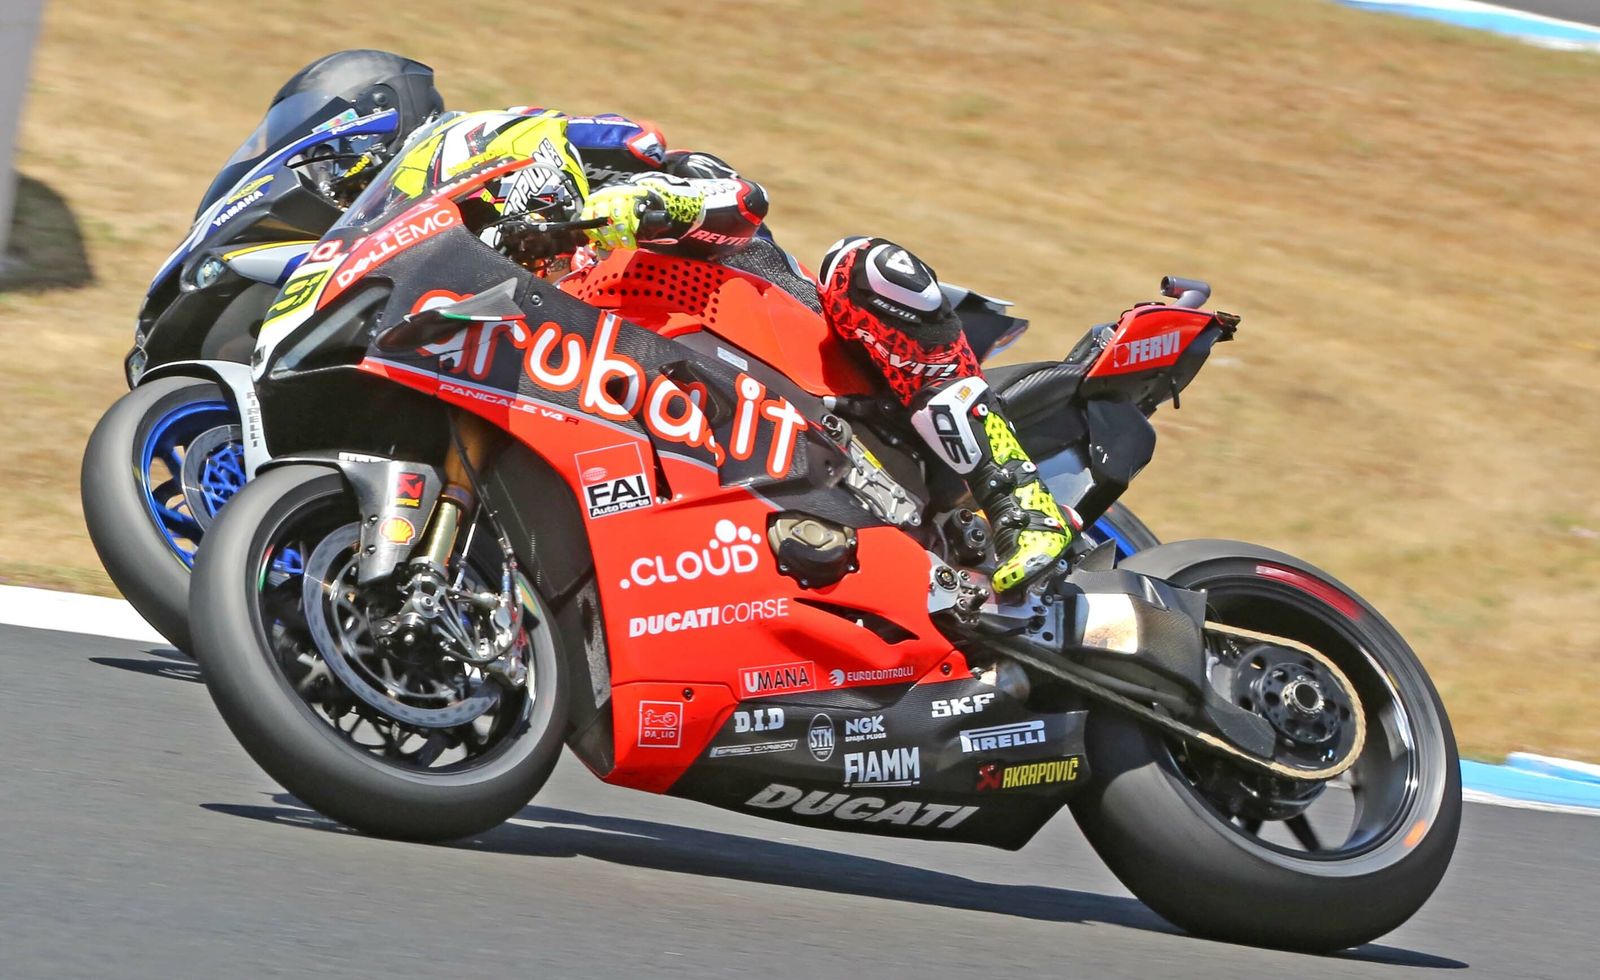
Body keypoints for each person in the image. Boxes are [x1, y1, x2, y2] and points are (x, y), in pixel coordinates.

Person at [494, 109, 1076, 595]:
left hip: (818, 372)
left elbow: (745, 200)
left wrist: (652, 205)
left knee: (867, 265)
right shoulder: (537, 316)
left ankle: (1020, 500)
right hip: (727, 492)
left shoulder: (627, 197)